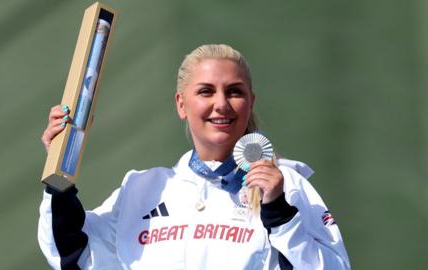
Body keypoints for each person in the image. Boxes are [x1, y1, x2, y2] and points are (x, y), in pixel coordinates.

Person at [38, 44, 351, 269]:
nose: (222, 104)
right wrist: (59, 171)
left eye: (234, 91)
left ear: (250, 102)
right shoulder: (142, 189)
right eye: (205, 91)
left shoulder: (285, 186)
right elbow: (75, 255)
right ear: (181, 104)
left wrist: (280, 214)